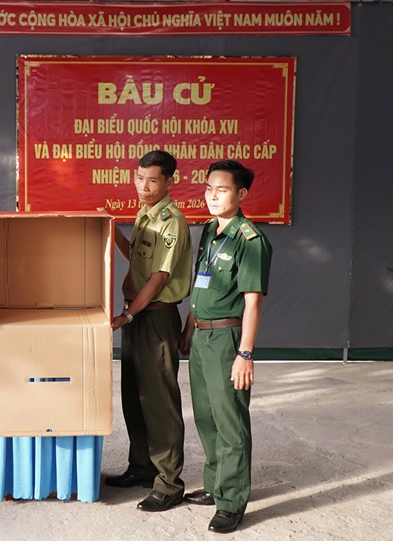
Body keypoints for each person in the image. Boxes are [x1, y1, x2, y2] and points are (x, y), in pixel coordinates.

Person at [178, 160, 272, 534]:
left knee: (230, 420)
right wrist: (190, 325)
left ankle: (231, 502)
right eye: (209, 188)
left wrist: (245, 354)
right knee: (206, 416)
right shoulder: (209, 230)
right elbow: (202, 282)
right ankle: (216, 484)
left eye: (223, 190)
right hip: (202, 335)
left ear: (241, 194)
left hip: (227, 340)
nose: (213, 196)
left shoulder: (250, 240)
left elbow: (253, 302)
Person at [106, 150, 192, 513]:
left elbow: (158, 279)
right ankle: (142, 466)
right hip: (138, 316)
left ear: (170, 181)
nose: (144, 186)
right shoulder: (145, 214)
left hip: (155, 318)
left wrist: (126, 315)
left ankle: (169, 483)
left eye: (153, 180)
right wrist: (112, 232)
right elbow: (139, 262)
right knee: (134, 397)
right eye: (139, 178)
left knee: (159, 403)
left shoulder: (172, 221)